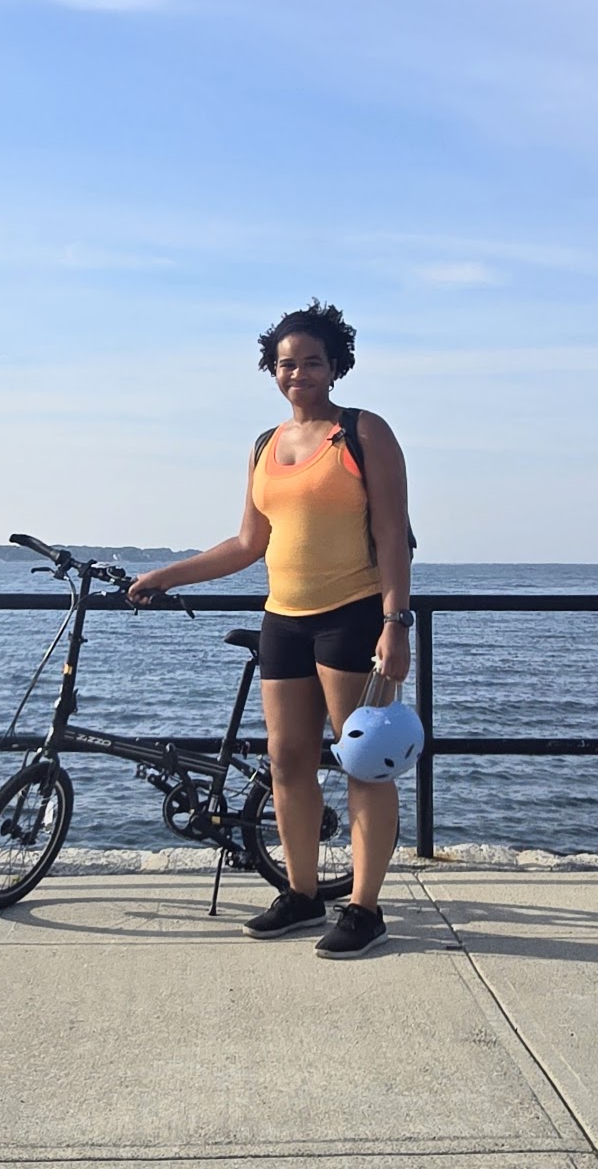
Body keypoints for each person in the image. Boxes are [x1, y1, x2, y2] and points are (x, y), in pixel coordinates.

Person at [127, 300, 412, 959]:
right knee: (286, 761)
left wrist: (396, 622)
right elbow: (247, 543)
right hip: (282, 619)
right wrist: (166, 576)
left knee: (364, 766)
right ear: (272, 370)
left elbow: (393, 536)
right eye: (286, 363)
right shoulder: (266, 445)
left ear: (335, 365)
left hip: (354, 615)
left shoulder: (364, 432)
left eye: (312, 361)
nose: (298, 373)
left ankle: (365, 909)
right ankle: (303, 893)